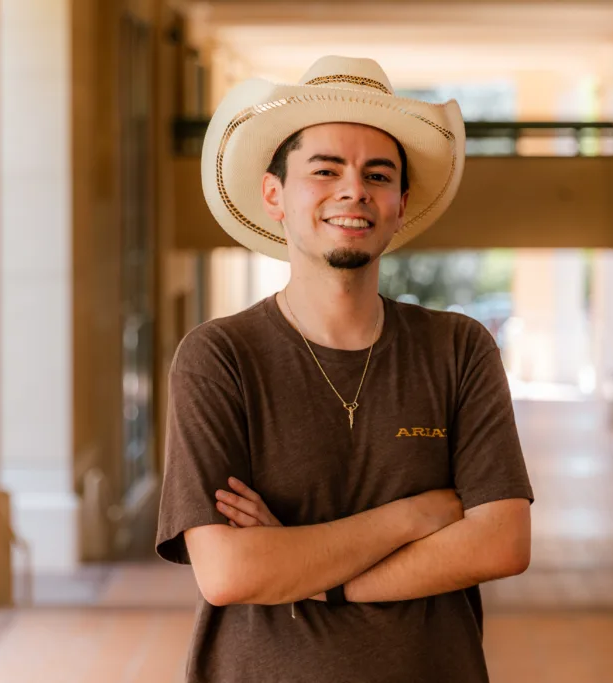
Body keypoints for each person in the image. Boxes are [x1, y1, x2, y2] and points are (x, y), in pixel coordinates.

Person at [156, 55, 533, 683]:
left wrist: (320, 577)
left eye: (377, 174)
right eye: (325, 169)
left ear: (400, 203)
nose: (353, 189)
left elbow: (502, 542)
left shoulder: (459, 348)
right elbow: (230, 574)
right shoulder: (219, 356)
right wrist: (412, 518)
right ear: (274, 195)